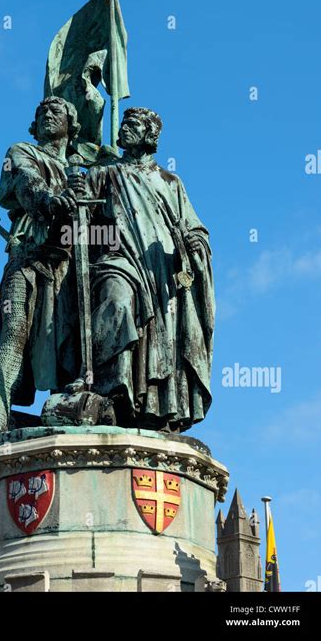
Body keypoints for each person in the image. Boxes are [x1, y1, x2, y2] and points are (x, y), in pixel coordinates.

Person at [84, 107, 215, 432]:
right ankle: (112, 394)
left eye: (133, 124)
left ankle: (156, 407)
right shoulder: (104, 174)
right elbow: (79, 222)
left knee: (163, 339)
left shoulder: (170, 182)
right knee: (117, 304)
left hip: (162, 271)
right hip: (118, 260)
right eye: (123, 123)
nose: (125, 128)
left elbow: (195, 227)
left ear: (149, 134)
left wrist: (195, 244)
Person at [0, 97, 80, 442]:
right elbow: (24, 181)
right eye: (41, 113)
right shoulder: (21, 151)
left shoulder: (82, 171)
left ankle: (67, 412)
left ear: (72, 123)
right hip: (28, 256)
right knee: (14, 332)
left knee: (69, 345)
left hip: (70, 265)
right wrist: (50, 200)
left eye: (56, 112)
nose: (48, 115)